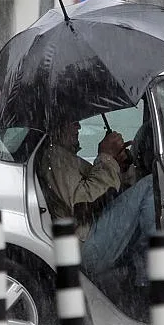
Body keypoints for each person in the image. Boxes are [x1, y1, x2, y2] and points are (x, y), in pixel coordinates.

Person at [38, 119, 155, 288]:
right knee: (152, 184)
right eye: (72, 122)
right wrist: (106, 157)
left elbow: (103, 192)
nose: (78, 126)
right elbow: (83, 204)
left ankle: (139, 275)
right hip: (86, 244)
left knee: (145, 195)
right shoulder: (53, 156)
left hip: (89, 235)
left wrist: (120, 167)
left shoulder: (65, 157)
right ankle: (149, 276)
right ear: (56, 127)